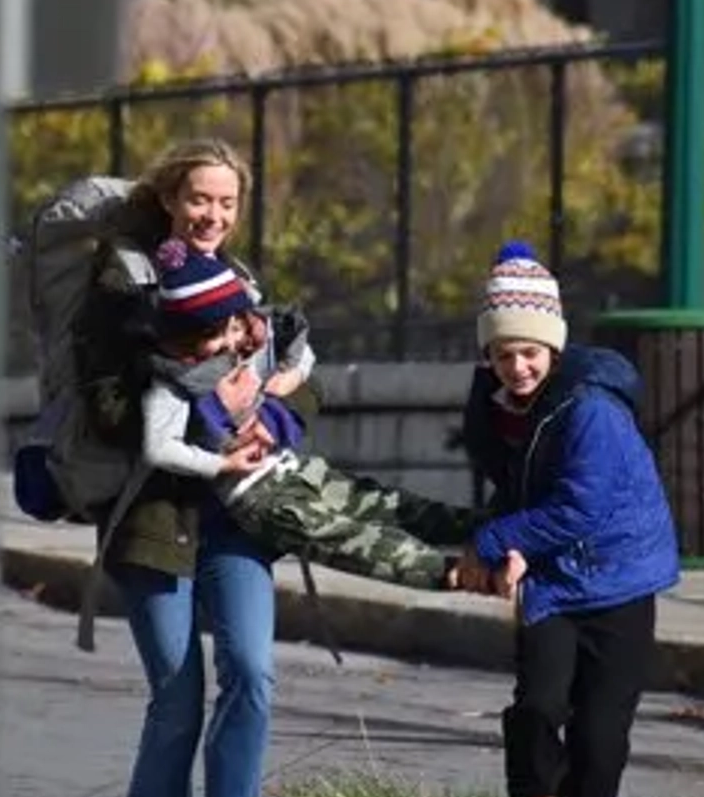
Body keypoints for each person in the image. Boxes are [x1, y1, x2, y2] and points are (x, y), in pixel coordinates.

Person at [71, 139, 300, 797]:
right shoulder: (124, 283)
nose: (213, 215)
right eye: (200, 199)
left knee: (254, 673)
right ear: (171, 198)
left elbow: (295, 384)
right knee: (176, 694)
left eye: (228, 203)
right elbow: (104, 408)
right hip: (152, 516)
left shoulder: (242, 284)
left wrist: (274, 421)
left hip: (235, 517)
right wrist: (201, 406)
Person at [455, 242, 682, 797]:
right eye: (503, 354)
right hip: (555, 578)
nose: (517, 366)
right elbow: (515, 485)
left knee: (600, 736)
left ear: (553, 347)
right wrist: (515, 542)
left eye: (529, 352)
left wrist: (495, 541)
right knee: (536, 710)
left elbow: (581, 505)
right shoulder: (495, 406)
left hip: (619, 578)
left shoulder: (592, 409)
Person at [139, 236, 524, 592]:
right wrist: (220, 464)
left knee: (386, 503)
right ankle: (464, 574)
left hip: (292, 469)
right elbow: (159, 449)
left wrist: (287, 379)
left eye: (235, 328)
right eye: (214, 336)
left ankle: (501, 531)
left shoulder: (244, 345)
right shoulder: (175, 383)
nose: (229, 342)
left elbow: (303, 353)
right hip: (257, 497)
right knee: (351, 540)